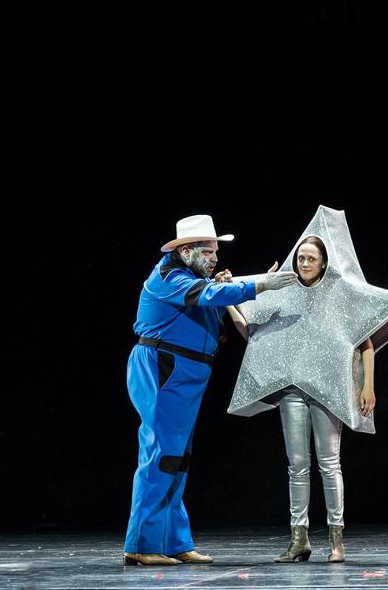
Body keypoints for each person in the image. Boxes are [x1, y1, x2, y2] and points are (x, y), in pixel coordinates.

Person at [123, 214, 297, 567]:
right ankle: (141, 543)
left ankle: (173, 542)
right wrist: (260, 283)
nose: (215, 257)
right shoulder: (167, 277)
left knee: (177, 459)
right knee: (160, 454)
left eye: (216, 250)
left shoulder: (191, 278)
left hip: (186, 373)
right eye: (208, 250)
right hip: (163, 368)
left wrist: (236, 288)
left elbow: (212, 301)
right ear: (185, 251)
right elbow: (207, 296)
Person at [227, 235, 374, 563]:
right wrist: (227, 302)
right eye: (300, 258)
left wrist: (367, 387)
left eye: (310, 258)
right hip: (293, 393)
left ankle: (337, 540)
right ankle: (299, 539)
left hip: (326, 392)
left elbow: (366, 343)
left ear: (323, 262)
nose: (304, 263)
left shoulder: (338, 295)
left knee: (329, 464)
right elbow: (252, 334)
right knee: (297, 467)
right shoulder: (284, 293)